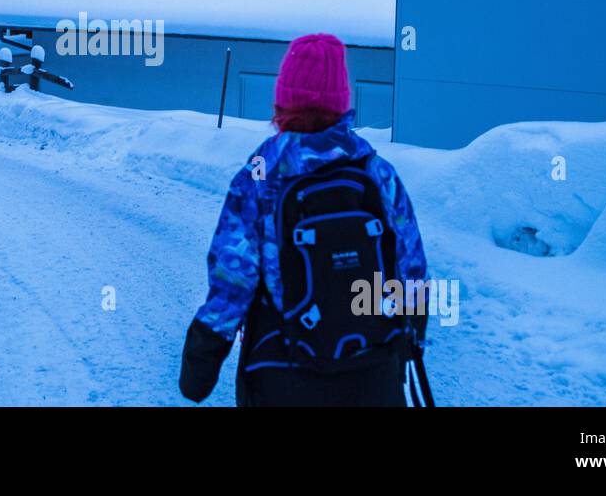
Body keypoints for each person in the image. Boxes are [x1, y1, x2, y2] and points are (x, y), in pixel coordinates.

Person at [179, 33, 431, 407]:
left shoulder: (260, 175)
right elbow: (413, 271)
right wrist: (412, 340)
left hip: (284, 374)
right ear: (342, 103)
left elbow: (233, 278)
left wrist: (203, 358)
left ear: (282, 102)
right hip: (372, 373)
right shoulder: (378, 173)